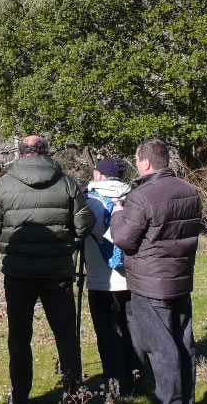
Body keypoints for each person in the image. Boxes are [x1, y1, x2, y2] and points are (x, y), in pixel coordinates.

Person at [0, 135, 95, 403]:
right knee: (65, 335)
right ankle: (75, 392)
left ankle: (20, 395)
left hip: (18, 273)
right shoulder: (66, 183)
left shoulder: (3, 185)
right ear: (46, 153)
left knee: (19, 338)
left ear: (20, 153)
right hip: (57, 271)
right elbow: (85, 225)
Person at [110, 139, 202, 404]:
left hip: (151, 283)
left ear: (146, 162)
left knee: (160, 348)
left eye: (137, 160)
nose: (136, 165)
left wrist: (118, 214)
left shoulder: (140, 197)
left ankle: (169, 399)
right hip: (180, 276)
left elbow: (125, 239)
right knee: (184, 343)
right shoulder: (189, 190)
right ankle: (187, 398)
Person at [83, 156, 140, 397]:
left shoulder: (89, 202)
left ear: (98, 175)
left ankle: (116, 383)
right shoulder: (134, 198)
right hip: (133, 276)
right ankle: (137, 379)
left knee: (108, 333)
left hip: (101, 279)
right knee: (133, 331)